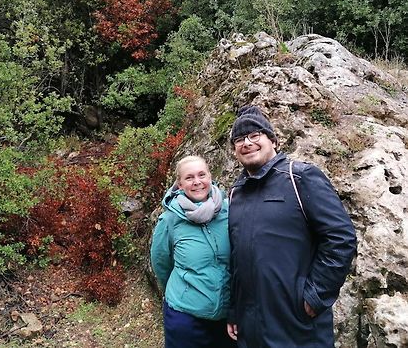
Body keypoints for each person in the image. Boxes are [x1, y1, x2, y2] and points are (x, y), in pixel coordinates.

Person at [226, 105, 357, 348]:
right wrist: (234, 309)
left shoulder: (300, 178)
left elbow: (341, 238)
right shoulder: (236, 192)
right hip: (250, 325)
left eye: (255, 135)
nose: (247, 143)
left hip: (297, 325)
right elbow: (237, 257)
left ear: (273, 140)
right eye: (239, 139)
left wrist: (315, 297)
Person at [151, 155, 236, 348]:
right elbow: (161, 263)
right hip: (185, 317)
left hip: (227, 316)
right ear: (180, 185)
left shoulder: (228, 211)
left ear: (210, 177)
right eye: (189, 178)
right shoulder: (170, 220)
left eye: (201, 175)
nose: (197, 182)